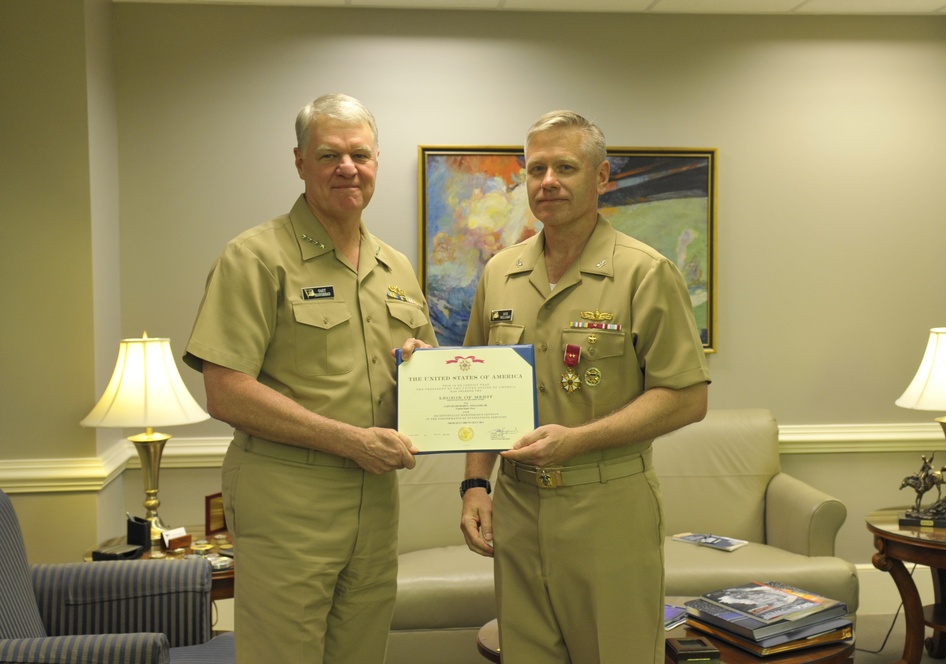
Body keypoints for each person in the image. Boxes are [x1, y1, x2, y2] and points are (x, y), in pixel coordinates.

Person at [183, 93, 437, 664]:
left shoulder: (395, 266)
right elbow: (225, 390)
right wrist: (348, 440)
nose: (347, 167)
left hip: (375, 504)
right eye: (329, 155)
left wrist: (420, 367)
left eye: (360, 154)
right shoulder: (254, 257)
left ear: (376, 162)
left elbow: (424, 374)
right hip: (287, 502)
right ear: (300, 162)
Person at [459, 110, 711, 663]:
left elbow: (688, 398)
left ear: (600, 178)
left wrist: (578, 440)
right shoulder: (499, 272)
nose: (548, 181)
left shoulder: (645, 273)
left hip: (607, 504)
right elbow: (478, 389)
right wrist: (475, 484)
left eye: (565, 167)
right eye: (537, 168)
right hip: (518, 505)